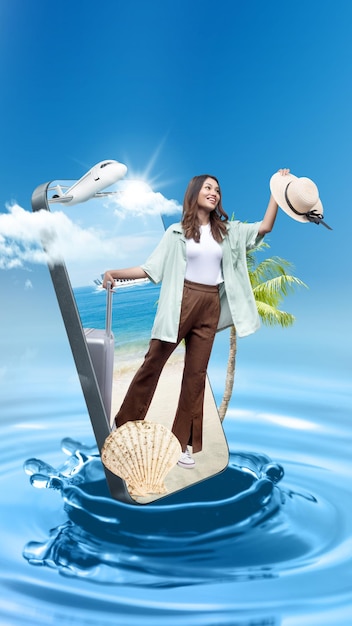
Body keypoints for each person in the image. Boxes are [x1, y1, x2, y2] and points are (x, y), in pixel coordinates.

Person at [103, 169, 290, 469]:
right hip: (181, 301)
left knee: (195, 377)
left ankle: (181, 446)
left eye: (217, 189)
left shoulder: (228, 232)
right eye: (208, 187)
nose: (214, 192)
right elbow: (150, 269)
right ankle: (124, 424)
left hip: (210, 304)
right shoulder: (175, 233)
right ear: (194, 193)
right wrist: (115, 273)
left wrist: (277, 189)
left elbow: (265, 226)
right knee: (153, 363)